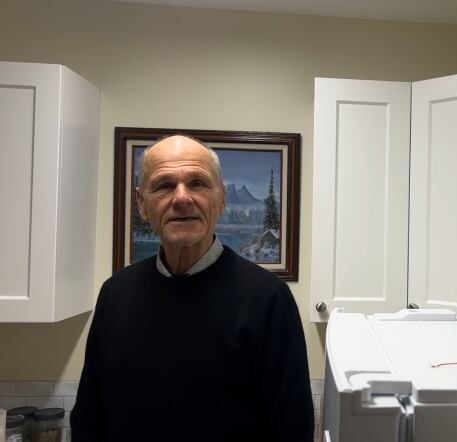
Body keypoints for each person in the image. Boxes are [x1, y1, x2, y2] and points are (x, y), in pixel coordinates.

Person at [71, 135, 313, 441]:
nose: (182, 198)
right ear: (142, 204)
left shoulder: (268, 299)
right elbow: (89, 420)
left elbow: (293, 429)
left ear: (222, 199)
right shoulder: (115, 294)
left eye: (197, 183)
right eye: (164, 185)